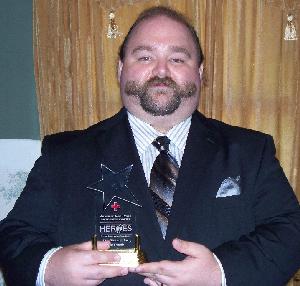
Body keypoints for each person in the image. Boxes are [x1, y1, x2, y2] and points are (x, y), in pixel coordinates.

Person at [0, 5, 300, 286]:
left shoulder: (251, 151)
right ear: (120, 69)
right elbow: (15, 236)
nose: (160, 71)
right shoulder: (64, 155)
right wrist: (49, 267)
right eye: (144, 57)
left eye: (177, 58)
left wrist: (221, 272)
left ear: (201, 71)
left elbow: (290, 232)